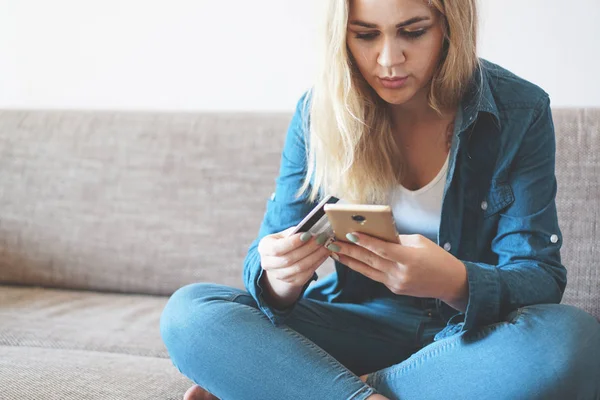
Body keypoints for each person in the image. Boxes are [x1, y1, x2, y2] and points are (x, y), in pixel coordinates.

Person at [160, 0, 600, 398]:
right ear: (342, 34)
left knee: (572, 341)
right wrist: (281, 275)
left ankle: (326, 386)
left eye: (413, 31)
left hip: (466, 337)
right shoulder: (319, 112)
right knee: (191, 314)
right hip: (357, 323)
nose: (389, 59)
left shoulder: (519, 109)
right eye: (366, 35)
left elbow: (540, 275)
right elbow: (266, 275)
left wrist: (453, 281)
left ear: (449, 25)